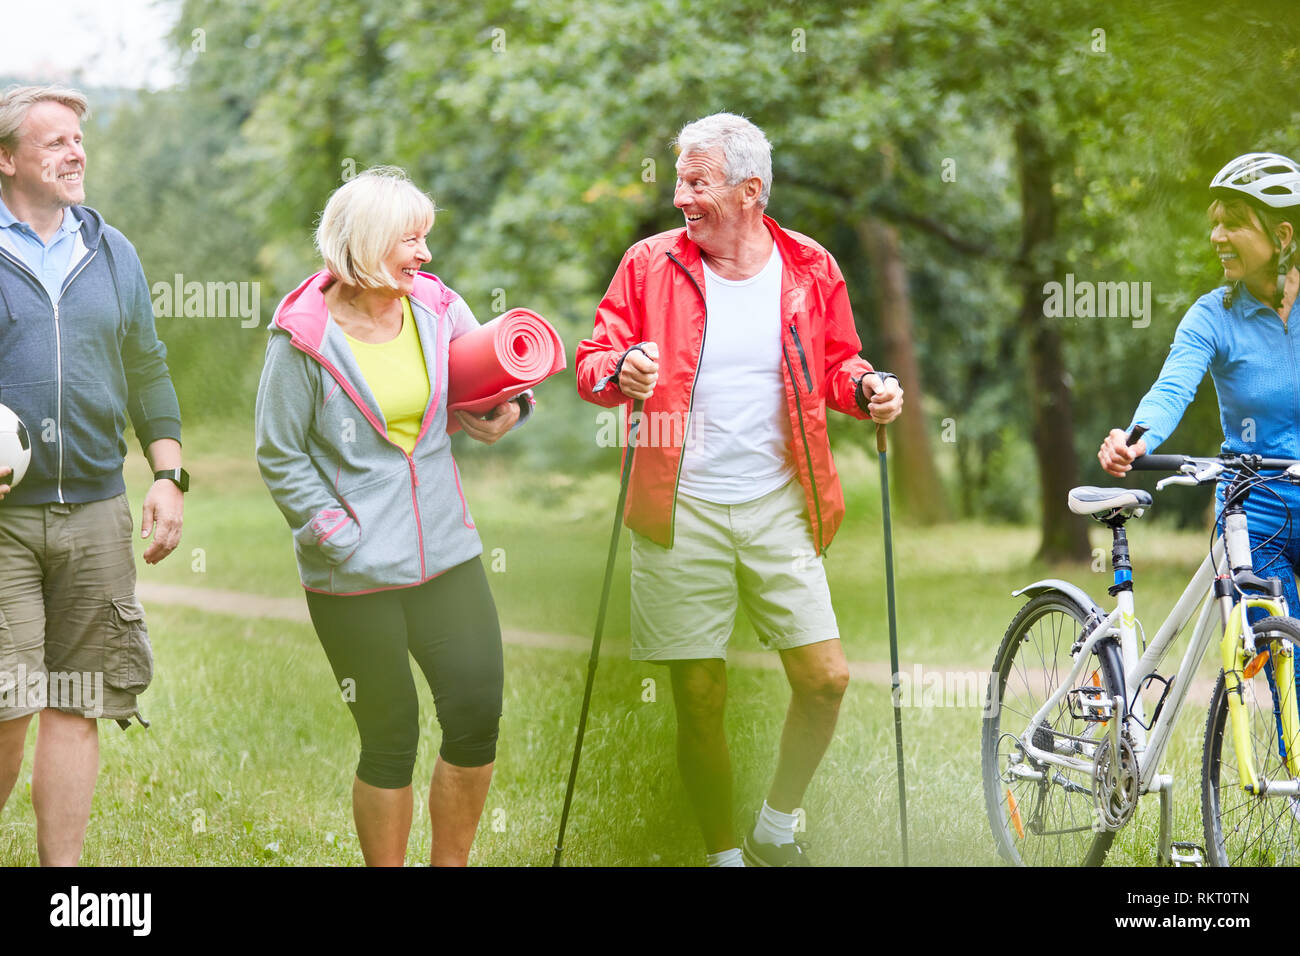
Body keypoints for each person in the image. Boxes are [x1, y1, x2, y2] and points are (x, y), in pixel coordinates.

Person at [576, 113, 904, 866]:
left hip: (780, 503)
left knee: (826, 680)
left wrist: (872, 389)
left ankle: (775, 829)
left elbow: (840, 366)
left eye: (698, 182)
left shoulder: (810, 268)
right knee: (699, 698)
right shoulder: (648, 265)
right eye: (680, 180)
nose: (680, 198)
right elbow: (593, 358)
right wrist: (618, 368)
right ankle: (724, 855)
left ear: (750, 190)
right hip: (678, 508)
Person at [255, 167, 529, 866]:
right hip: (353, 574)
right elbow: (279, 453)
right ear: (369, 242)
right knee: (390, 736)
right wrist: (335, 534)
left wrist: (510, 411)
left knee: (474, 717)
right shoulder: (301, 338)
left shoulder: (436, 307)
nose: (426, 256)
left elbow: (493, 383)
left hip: (446, 553)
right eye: (412, 240)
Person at [0, 85, 185, 865]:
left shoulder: (113, 252)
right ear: (7, 160)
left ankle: (60, 886)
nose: (75, 154)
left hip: (97, 511)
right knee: (7, 704)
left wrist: (169, 473)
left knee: (76, 704)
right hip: (4, 523)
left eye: (78, 140)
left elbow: (146, 364)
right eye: (54, 144)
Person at [1099, 152, 1300, 609]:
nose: (1217, 236)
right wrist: (1136, 439)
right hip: (1256, 508)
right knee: (1290, 667)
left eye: (1233, 223)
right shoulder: (1213, 316)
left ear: (1281, 235)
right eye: (1215, 223)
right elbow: (1172, 389)